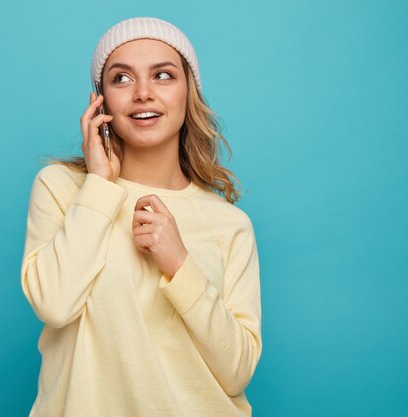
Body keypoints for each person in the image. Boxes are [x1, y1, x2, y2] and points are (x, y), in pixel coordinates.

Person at [20, 16, 262, 417]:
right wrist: (100, 186)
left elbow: (237, 372)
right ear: (99, 100)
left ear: (189, 92)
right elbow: (54, 305)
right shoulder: (63, 189)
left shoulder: (230, 225)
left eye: (163, 75)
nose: (144, 94)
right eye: (121, 79)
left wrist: (179, 265)